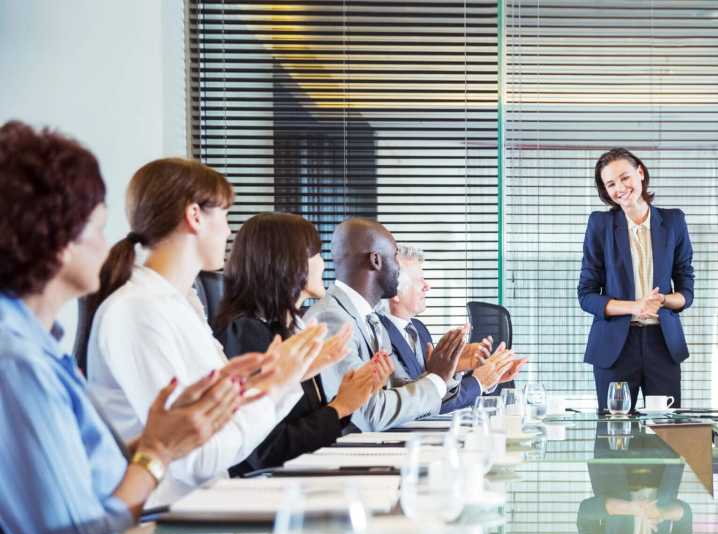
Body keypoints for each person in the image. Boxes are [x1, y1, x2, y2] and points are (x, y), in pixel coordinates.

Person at [0, 121, 244, 534]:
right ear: (56, 240)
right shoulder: (16, 359)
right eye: (95, 226)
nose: (104, 242)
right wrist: (156, 451)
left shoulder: (36, 344)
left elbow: (79, 470)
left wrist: (155, 439)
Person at [86, 158, 331, 505]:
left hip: (200, 506)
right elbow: (193, 458)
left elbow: (224, 432)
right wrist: (274, 386)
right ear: (195, 216)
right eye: (226, 216)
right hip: (162, 520)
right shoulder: (139, 310)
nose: (230, 231)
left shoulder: (182, 306)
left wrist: (284, 380)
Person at [213, 212, 393, 475]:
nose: (323, 263)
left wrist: (349, 396)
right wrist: (340, 407)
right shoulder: (248, 333)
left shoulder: (285, 331)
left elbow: (302, 428)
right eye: (316, 255)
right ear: (290, 262)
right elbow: (266, 450)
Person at [304, 218, 467, 431]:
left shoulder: (370, 318)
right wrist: (436, 379)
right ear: (376, 260)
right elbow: (367, 411)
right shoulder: (331, 320)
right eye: (394, 257)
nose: (398, 268)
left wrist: (441, 374)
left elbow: (394, 394)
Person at [578, 148, 694, 411]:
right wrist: (635, 307)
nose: (620, 188)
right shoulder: (600, 225)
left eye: (625, 177)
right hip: (615, 347)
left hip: (663, 343)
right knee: (615, 440)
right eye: (610, 184)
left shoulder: (674, 221)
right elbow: (586, 295)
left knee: (667, 436)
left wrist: (663, 299)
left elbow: (686, 287)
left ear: (640, 173)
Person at [375, 244, 526, 413]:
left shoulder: (418, 329)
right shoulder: (380, 336)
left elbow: (437, 390)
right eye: (419, 279)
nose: (427, 286)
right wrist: (478, 382)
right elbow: (420, 402)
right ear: (394, 291)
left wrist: (473, 372)